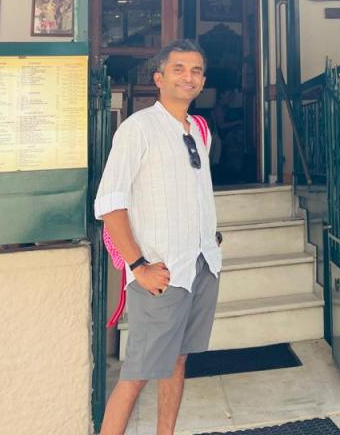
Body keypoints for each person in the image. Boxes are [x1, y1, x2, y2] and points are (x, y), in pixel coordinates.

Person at [95, 40, 223, 435]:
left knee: (178, 360)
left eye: (196, 70)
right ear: (159, 78)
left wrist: (209, 238)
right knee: (136, 374)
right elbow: (110, 204)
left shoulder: (199, 131)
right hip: (161, 273)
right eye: (179, 69)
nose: (189, 77)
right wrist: (138, 266)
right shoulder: (138, 129)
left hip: (200, 265)